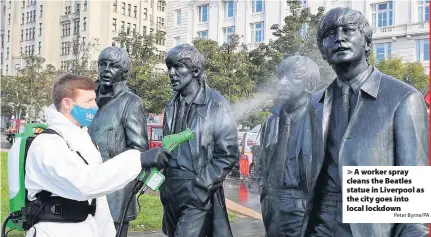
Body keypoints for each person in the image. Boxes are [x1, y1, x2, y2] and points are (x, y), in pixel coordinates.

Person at [301, 8, 429, 237]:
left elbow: (413, 211)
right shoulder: (314, 103)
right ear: (322, 51)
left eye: (348, 30)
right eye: (330, 33)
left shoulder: (403, 98)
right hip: (320, 228)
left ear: (367, 43)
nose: (339, 37)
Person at [24, 74, 169, 237]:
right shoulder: (48, 144)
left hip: (85, 228)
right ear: (67, 104)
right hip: (53, 231)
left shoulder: (82, 138)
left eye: (94, 100)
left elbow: (97, 200)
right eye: (88, 101)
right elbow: (86, 183)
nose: (95, 106)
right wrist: (137, 159)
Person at [159, 44, 240, 237]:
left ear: (195, 70)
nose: (171, 73)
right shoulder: (171, 105)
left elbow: (227, 154)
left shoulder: (216, 103)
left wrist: (202, 184)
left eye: (177, 67)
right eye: (169, 67)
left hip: (197, 190)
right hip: (171, 192)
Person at [88, 46, 148, 237]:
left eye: (113, 66)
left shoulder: (131, 103)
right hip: (87, 189)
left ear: (124, 71)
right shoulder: (87, 99)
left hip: (116, 194)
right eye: (102, 64)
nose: (106, 69)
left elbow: (138, 151)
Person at [258, 56, 320, 237]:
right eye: (280, 77)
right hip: (272, 206)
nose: (282, 83)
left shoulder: (321, 120)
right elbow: (263, 164)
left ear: (308, 85)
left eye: (291, 78)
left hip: (304, 206)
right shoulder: (270, 122)